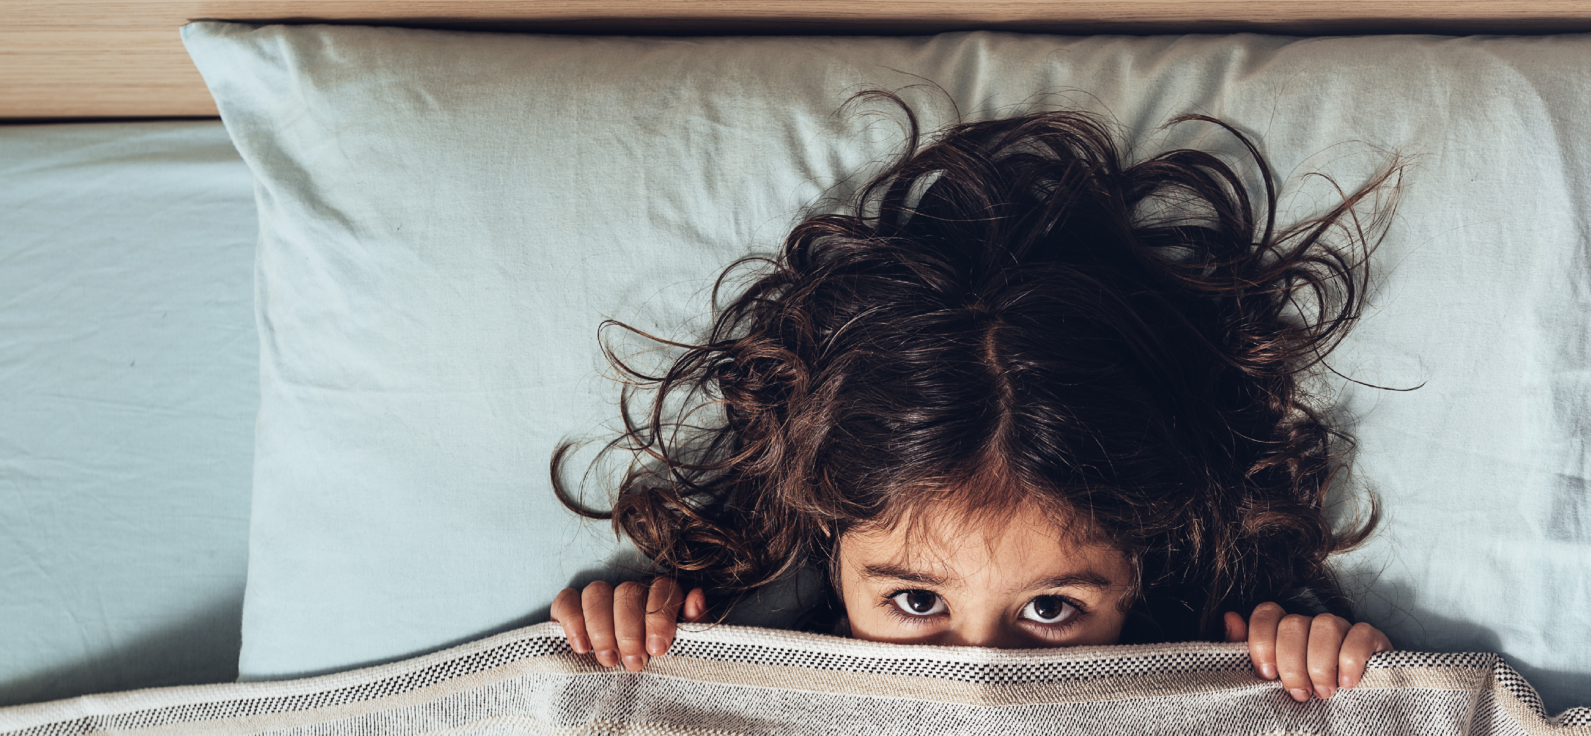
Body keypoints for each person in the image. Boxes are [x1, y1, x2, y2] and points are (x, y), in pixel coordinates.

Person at [549, 94, 1396, 702]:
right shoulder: (760, 657)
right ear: (827, 537)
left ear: (1140, 573)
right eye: (916, 602)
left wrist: (1318, 667)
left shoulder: (1194, 661)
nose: (980, 672)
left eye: (1052, 607)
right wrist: (629, 634)